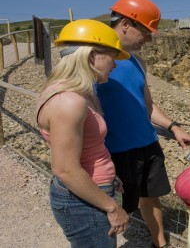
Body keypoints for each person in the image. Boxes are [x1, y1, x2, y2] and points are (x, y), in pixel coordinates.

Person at [95, 0, 190, 248]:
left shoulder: (136, 61)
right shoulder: (94, 58)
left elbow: (146, 105)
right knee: (111, 210)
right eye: (146, 31)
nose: (149, 38)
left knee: (151, 198)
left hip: (148, 144)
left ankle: (160, 244)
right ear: (125, 24)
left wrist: (173, 127)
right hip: (116, 151)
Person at [35, 19, 131, 247]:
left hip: (91, 191)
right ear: (91, 56)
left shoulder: (75, 92)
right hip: (84, 201)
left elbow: (88, 148)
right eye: (112, 57)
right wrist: (112, 206)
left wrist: (110, 177)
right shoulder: (70, 101)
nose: (115, 66)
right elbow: (65, 169)